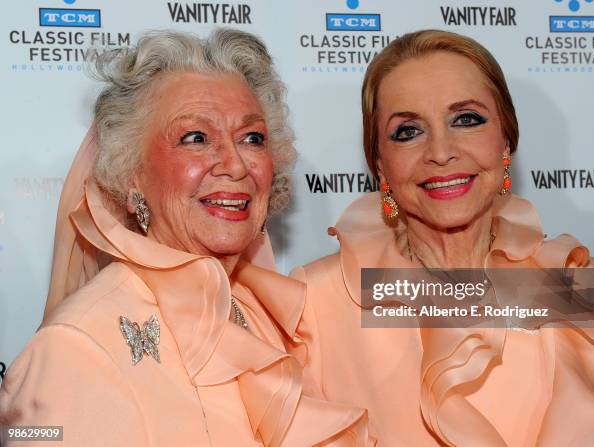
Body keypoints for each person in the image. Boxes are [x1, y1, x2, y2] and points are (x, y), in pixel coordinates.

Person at [0, 29, 370, 446]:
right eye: (195, 138)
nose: (234, 164)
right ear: (131, 176)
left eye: (252, 138)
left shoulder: (273, 315)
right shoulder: (76, 349)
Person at [288, 30, 594, 446]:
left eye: (466, 119)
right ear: (380, 166)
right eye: (408, 131)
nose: (441, 151)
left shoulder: (578, 283)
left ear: (506, 141)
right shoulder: (315, 302)